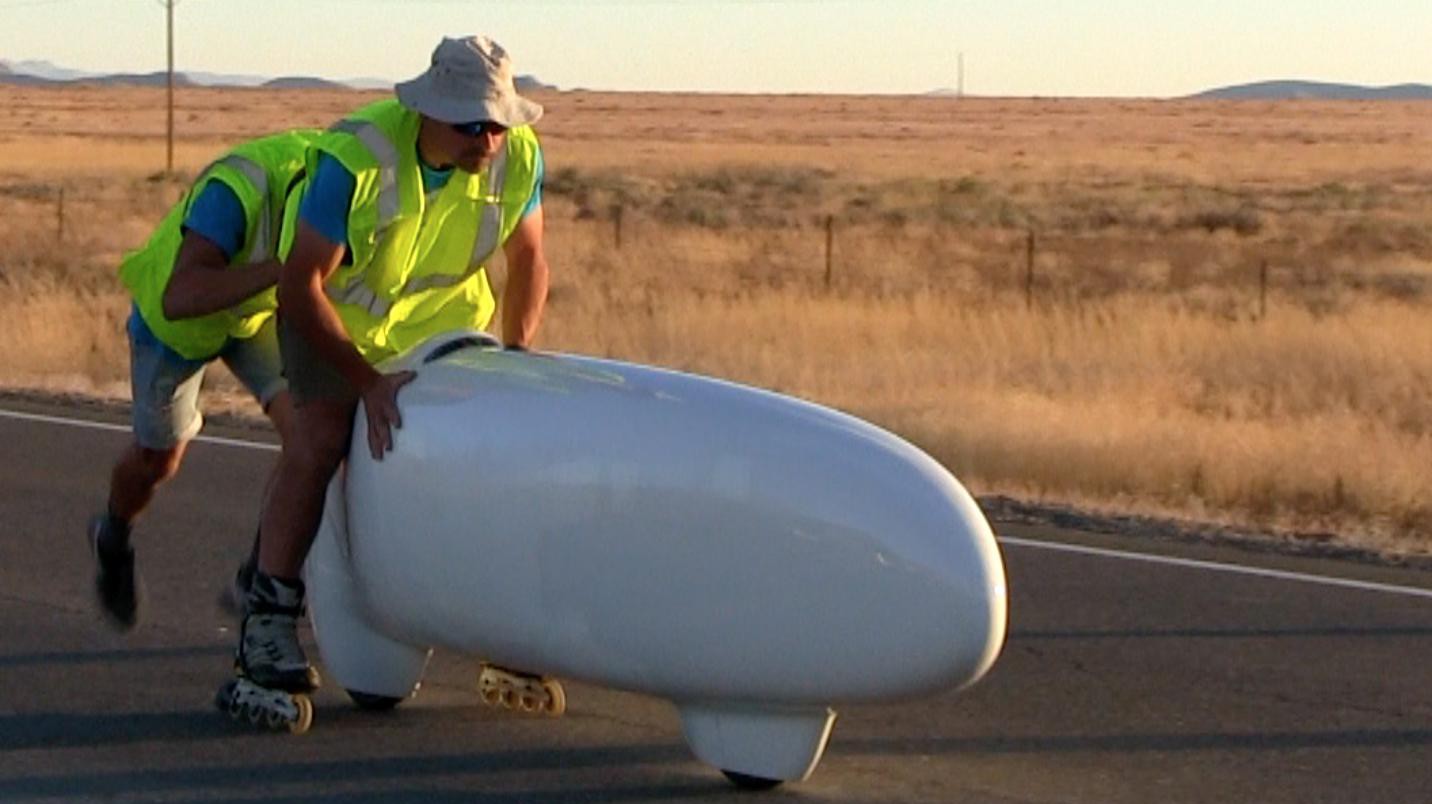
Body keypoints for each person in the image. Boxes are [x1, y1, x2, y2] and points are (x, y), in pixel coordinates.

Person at [230, 35, 550, 696]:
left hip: (444, 326)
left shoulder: (516, 156)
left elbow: (528, 261)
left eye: (497, 124)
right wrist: (366, 384)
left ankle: (500, 628)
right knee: (319, 441)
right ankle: (267, 621)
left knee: (485, 454)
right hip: (336, 322)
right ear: (428, 112)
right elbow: (300, 287)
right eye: (470, 126)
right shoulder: (357, 158)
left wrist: (517, 356)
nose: (487, 141)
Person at [89, 129, 317, 630]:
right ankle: (112, 534)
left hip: (252, 319)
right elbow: (181, 294)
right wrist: (283, 271)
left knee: (310, 435)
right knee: (158, 459)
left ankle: (261, 577)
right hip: (177, 326)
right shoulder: (234, 192)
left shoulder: (342, 182)